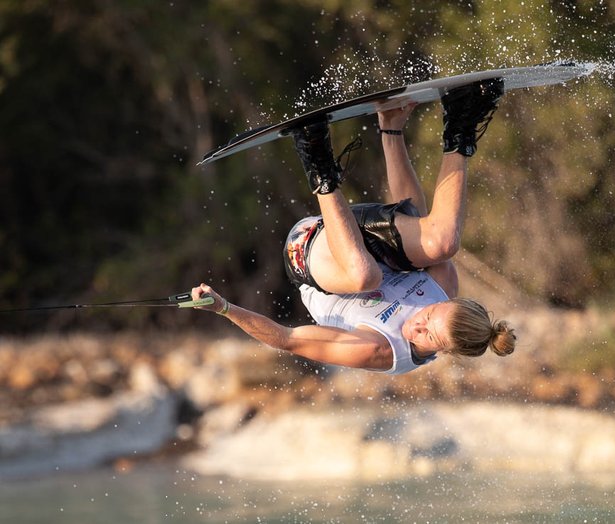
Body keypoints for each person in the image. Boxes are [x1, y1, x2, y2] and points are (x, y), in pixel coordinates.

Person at [192, 78, 516, 374]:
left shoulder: (380, 349)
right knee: (442, 243)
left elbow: (287, 338)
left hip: (310, 254)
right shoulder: (443, 284)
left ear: (445, 352)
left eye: (429, 336)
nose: (419, 325)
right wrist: (392, 131)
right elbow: (413, 218)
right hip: (360, 234)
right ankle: (461, 120)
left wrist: (224, 308)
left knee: (365, 276)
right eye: (429, 316)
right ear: (447, 302)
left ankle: (316, 156)